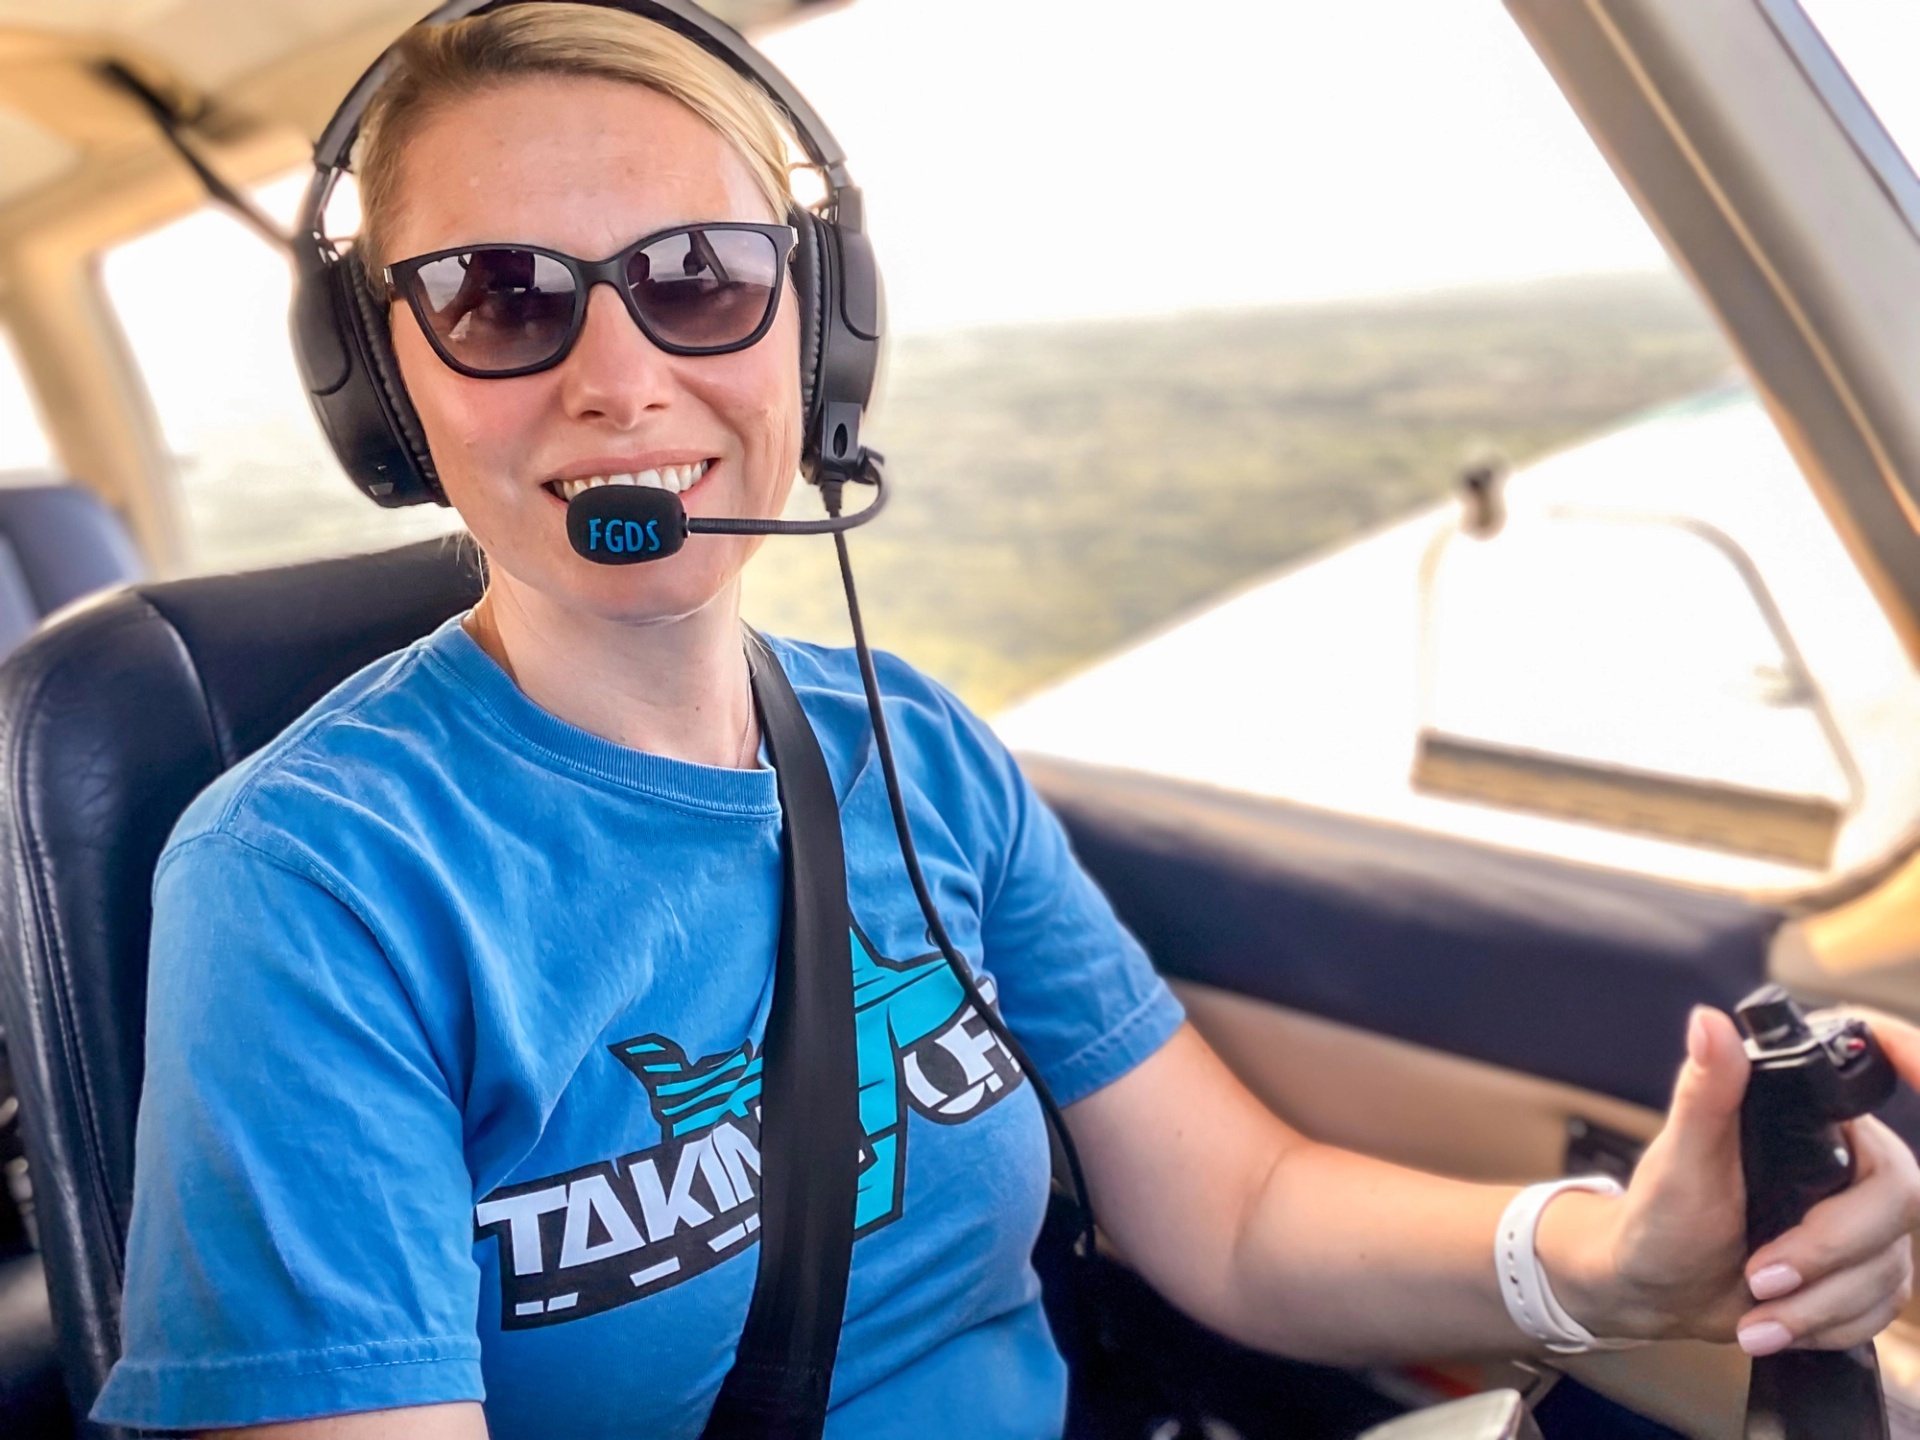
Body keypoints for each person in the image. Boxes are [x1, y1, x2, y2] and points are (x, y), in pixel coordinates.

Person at [91, 6, 1920, 1438]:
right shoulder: (308, 882)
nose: (621, 378)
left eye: (701, 276)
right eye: (500, 301)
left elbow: (1241, 1214)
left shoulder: (915, 748)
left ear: (820, 332)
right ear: (382, 384)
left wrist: (1614, 1264)